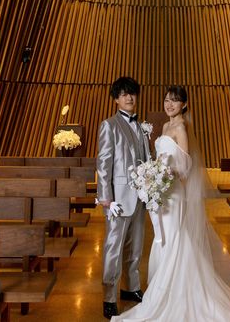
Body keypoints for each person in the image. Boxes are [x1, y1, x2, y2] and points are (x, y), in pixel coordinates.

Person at [113, 86, 230, 322]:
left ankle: (181, 294)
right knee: (165, 240)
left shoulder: (181, 128)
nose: (169, 105)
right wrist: (152, 176)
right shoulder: (164, 127)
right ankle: (165, 292)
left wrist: (162, 175)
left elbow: (186, 167)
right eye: (167, 100)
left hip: (174, 193)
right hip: (161, 194)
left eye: (175, 101)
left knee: (176, 239)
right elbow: (162, 159)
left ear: (184, 104)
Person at [97, 76, 151, 319]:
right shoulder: (109, 125)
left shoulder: (142, 127)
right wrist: (106, 199)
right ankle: (109, 296)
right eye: (124, 94)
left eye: (132, 93)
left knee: (136, 246)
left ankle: (131, 287)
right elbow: (103, 164)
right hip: (118, 200)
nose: (129, 97)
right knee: (114, 248)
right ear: (116, 99)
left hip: (140, 197)